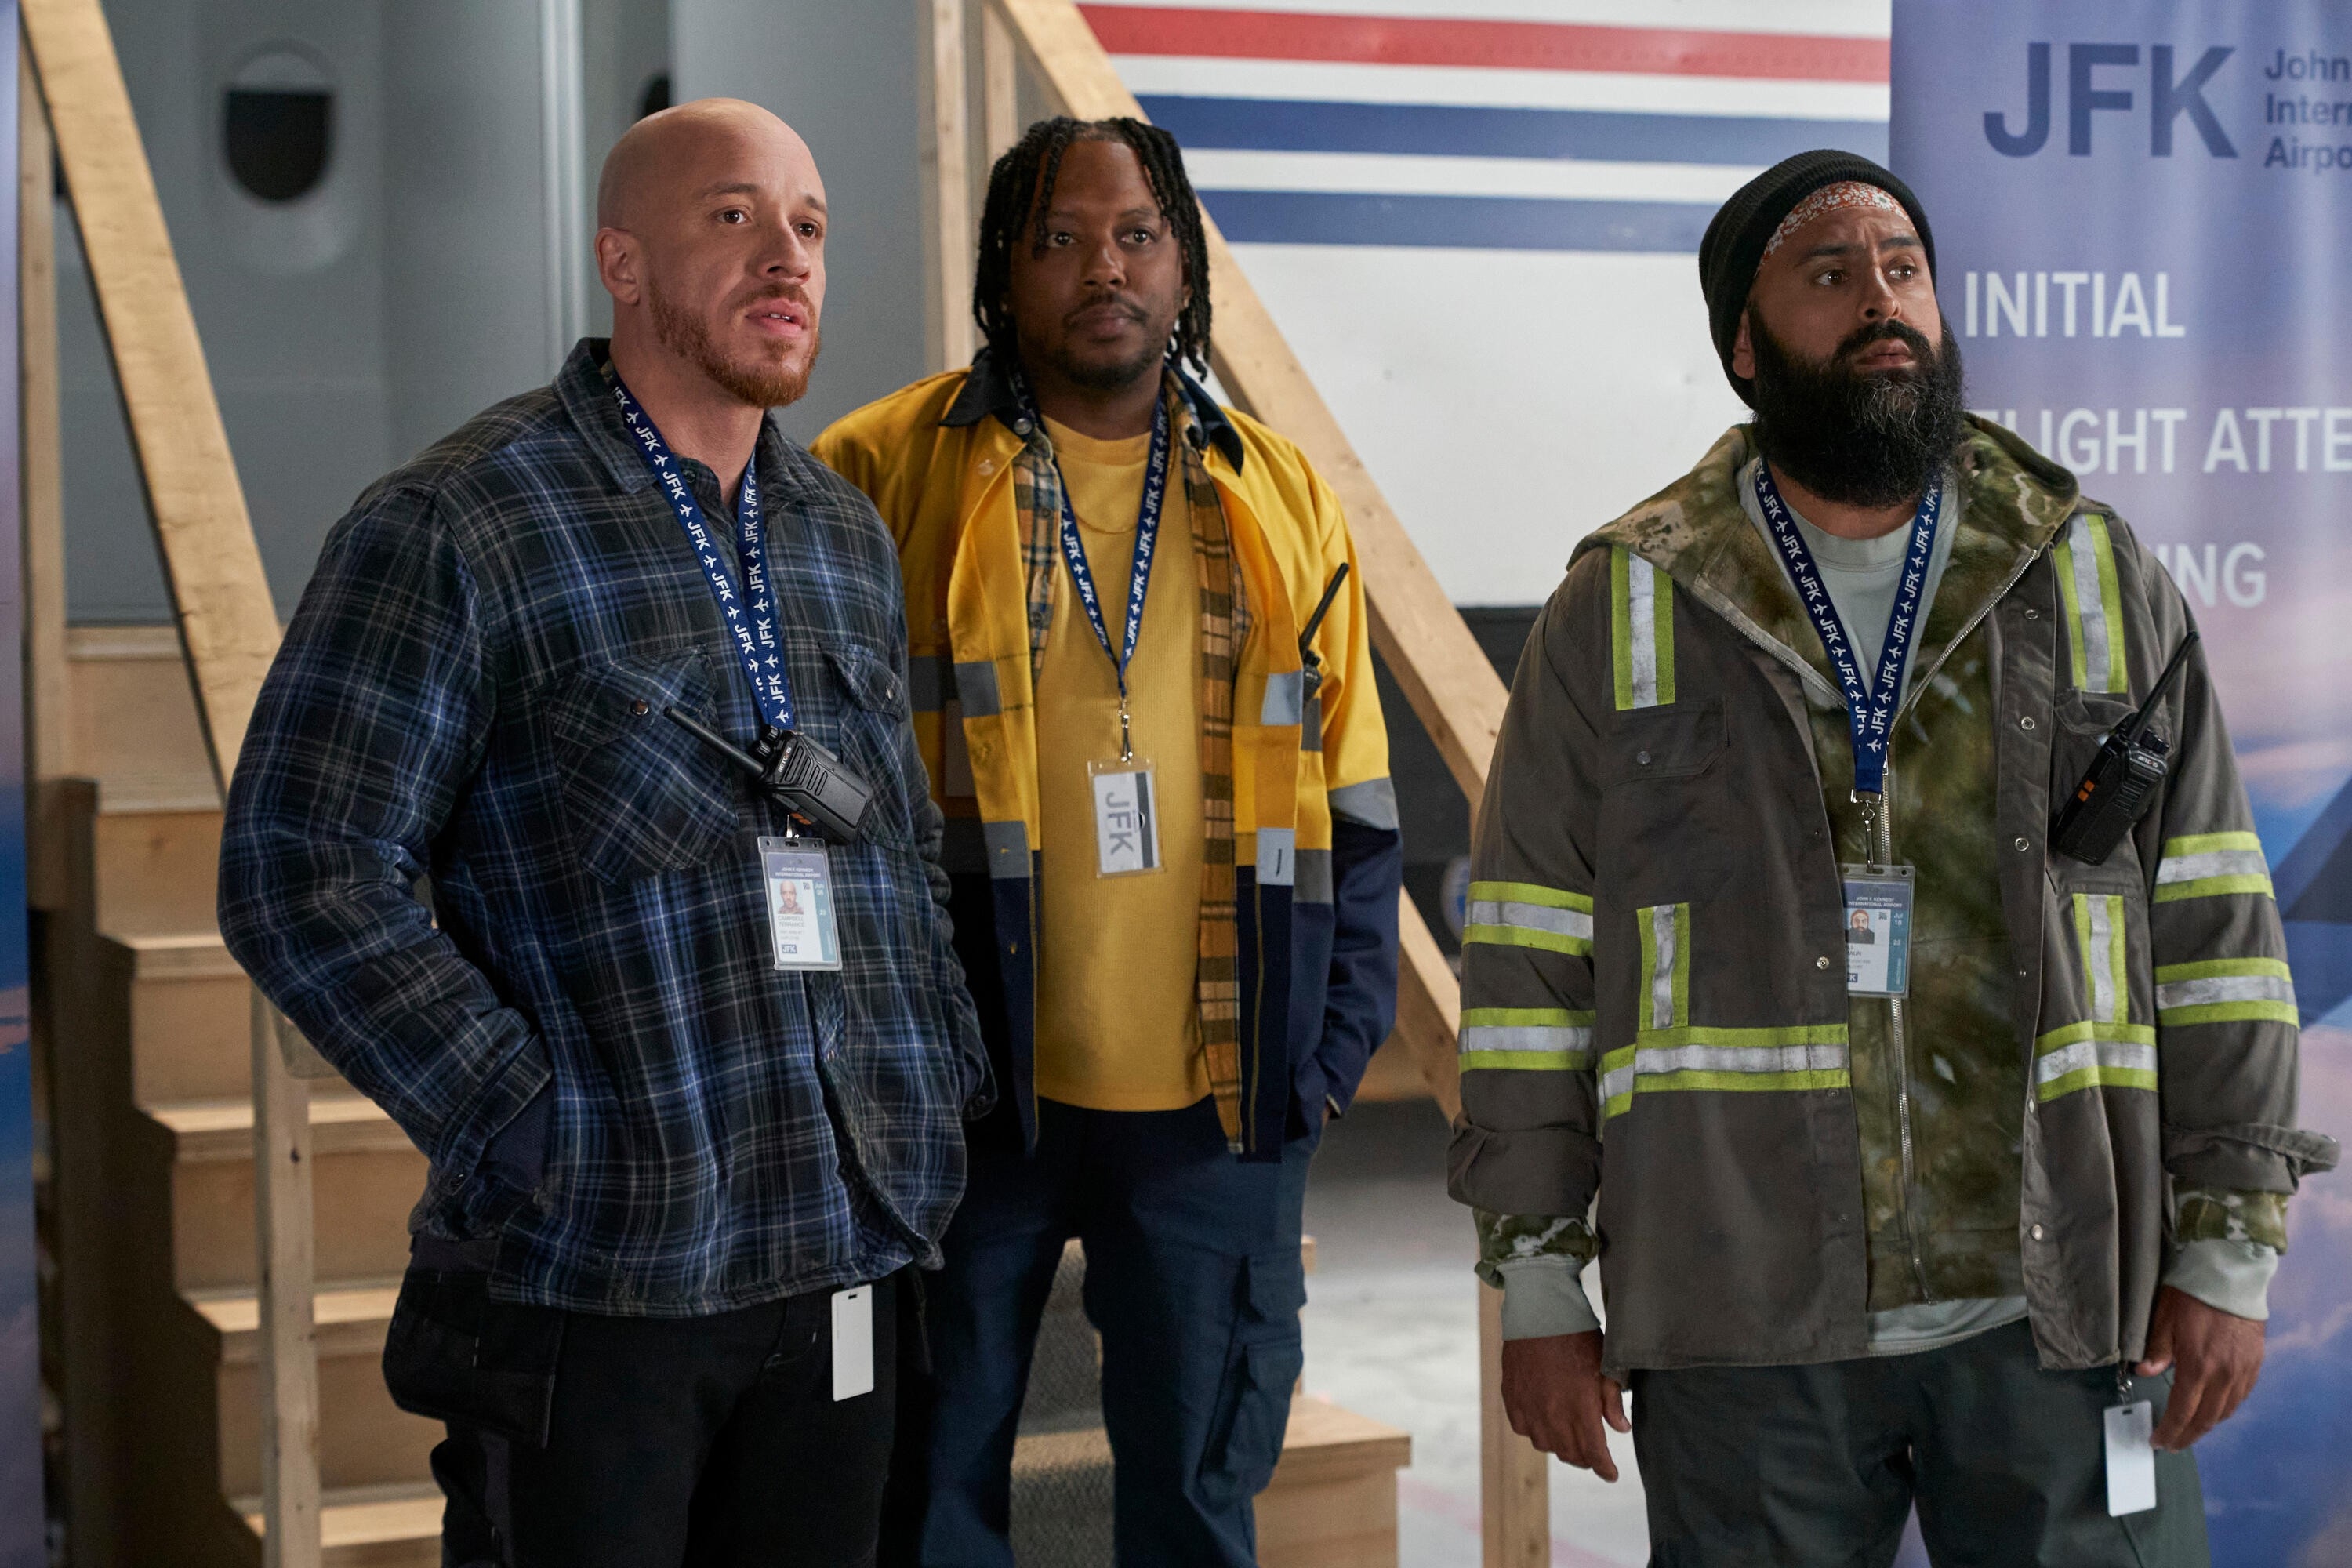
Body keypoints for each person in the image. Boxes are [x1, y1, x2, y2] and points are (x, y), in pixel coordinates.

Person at [1448, 149, 2339, 1565]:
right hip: (1744, 1325)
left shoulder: (2094, 574)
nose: (1883, 298)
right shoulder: (1622, 611)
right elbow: (1526, 970)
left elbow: (2218, 933)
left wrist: (2229, 1243)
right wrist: (1538, 1279)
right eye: (1830, 271)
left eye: (1904, 267)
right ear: (1746, 347)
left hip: (2060, 1312)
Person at [219, 99, 986, 1566]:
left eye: (811, 227)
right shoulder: (461, 522)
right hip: (602, 1272)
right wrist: (528, 1122)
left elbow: (883, 849)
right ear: (620, 262)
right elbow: (301, 869)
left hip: (844, 1240)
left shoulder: (841, 534)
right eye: (734, 217)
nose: (789, 258)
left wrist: (931, 1082)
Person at [814, 117, 1401, 1566]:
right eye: (1060, 238)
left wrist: (1328, 1054)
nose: (1103, 269)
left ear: (1186, 268)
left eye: (1137, 236)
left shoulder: (1280, 495)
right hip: (964, 1098)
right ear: (1002, 274)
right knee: (930, 1489)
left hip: (1218, 1096)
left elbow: (1356, 797)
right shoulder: (875, 470)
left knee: (1197, 1505)